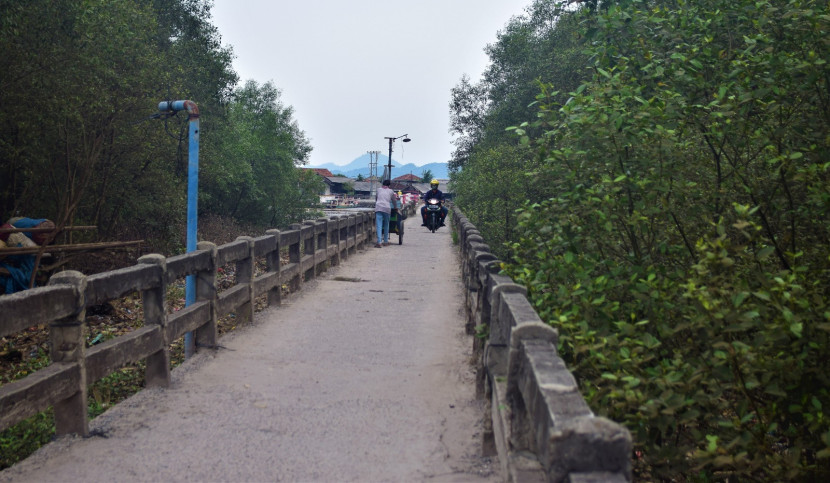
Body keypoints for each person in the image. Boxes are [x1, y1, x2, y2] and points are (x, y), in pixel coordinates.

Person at [374, 179, 397, 247]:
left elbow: (376, 198)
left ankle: (379, 242)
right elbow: (394, 200)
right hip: (387, 208)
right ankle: (386, 241)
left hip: (378, 208)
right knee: (386, 225)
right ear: (389, 185)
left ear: (382, 184)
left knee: (379, 225)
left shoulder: (378, 190)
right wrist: (395, 207)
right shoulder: (391, 191)